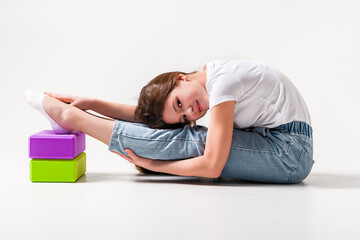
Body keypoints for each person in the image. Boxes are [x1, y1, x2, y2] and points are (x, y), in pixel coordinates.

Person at [25, 59, 314, 183]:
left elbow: (212, 166)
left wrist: (152, 164)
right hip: (284, 143)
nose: (191, 112)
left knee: (196, 141)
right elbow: (155, 116)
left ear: (180, 78)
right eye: (185, 115)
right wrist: (91, 102)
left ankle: (71, 119)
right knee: (189, 135)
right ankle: (77, 116)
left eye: (180, 103)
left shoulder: (223, 84)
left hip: (289, 153)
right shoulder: (209, 77)